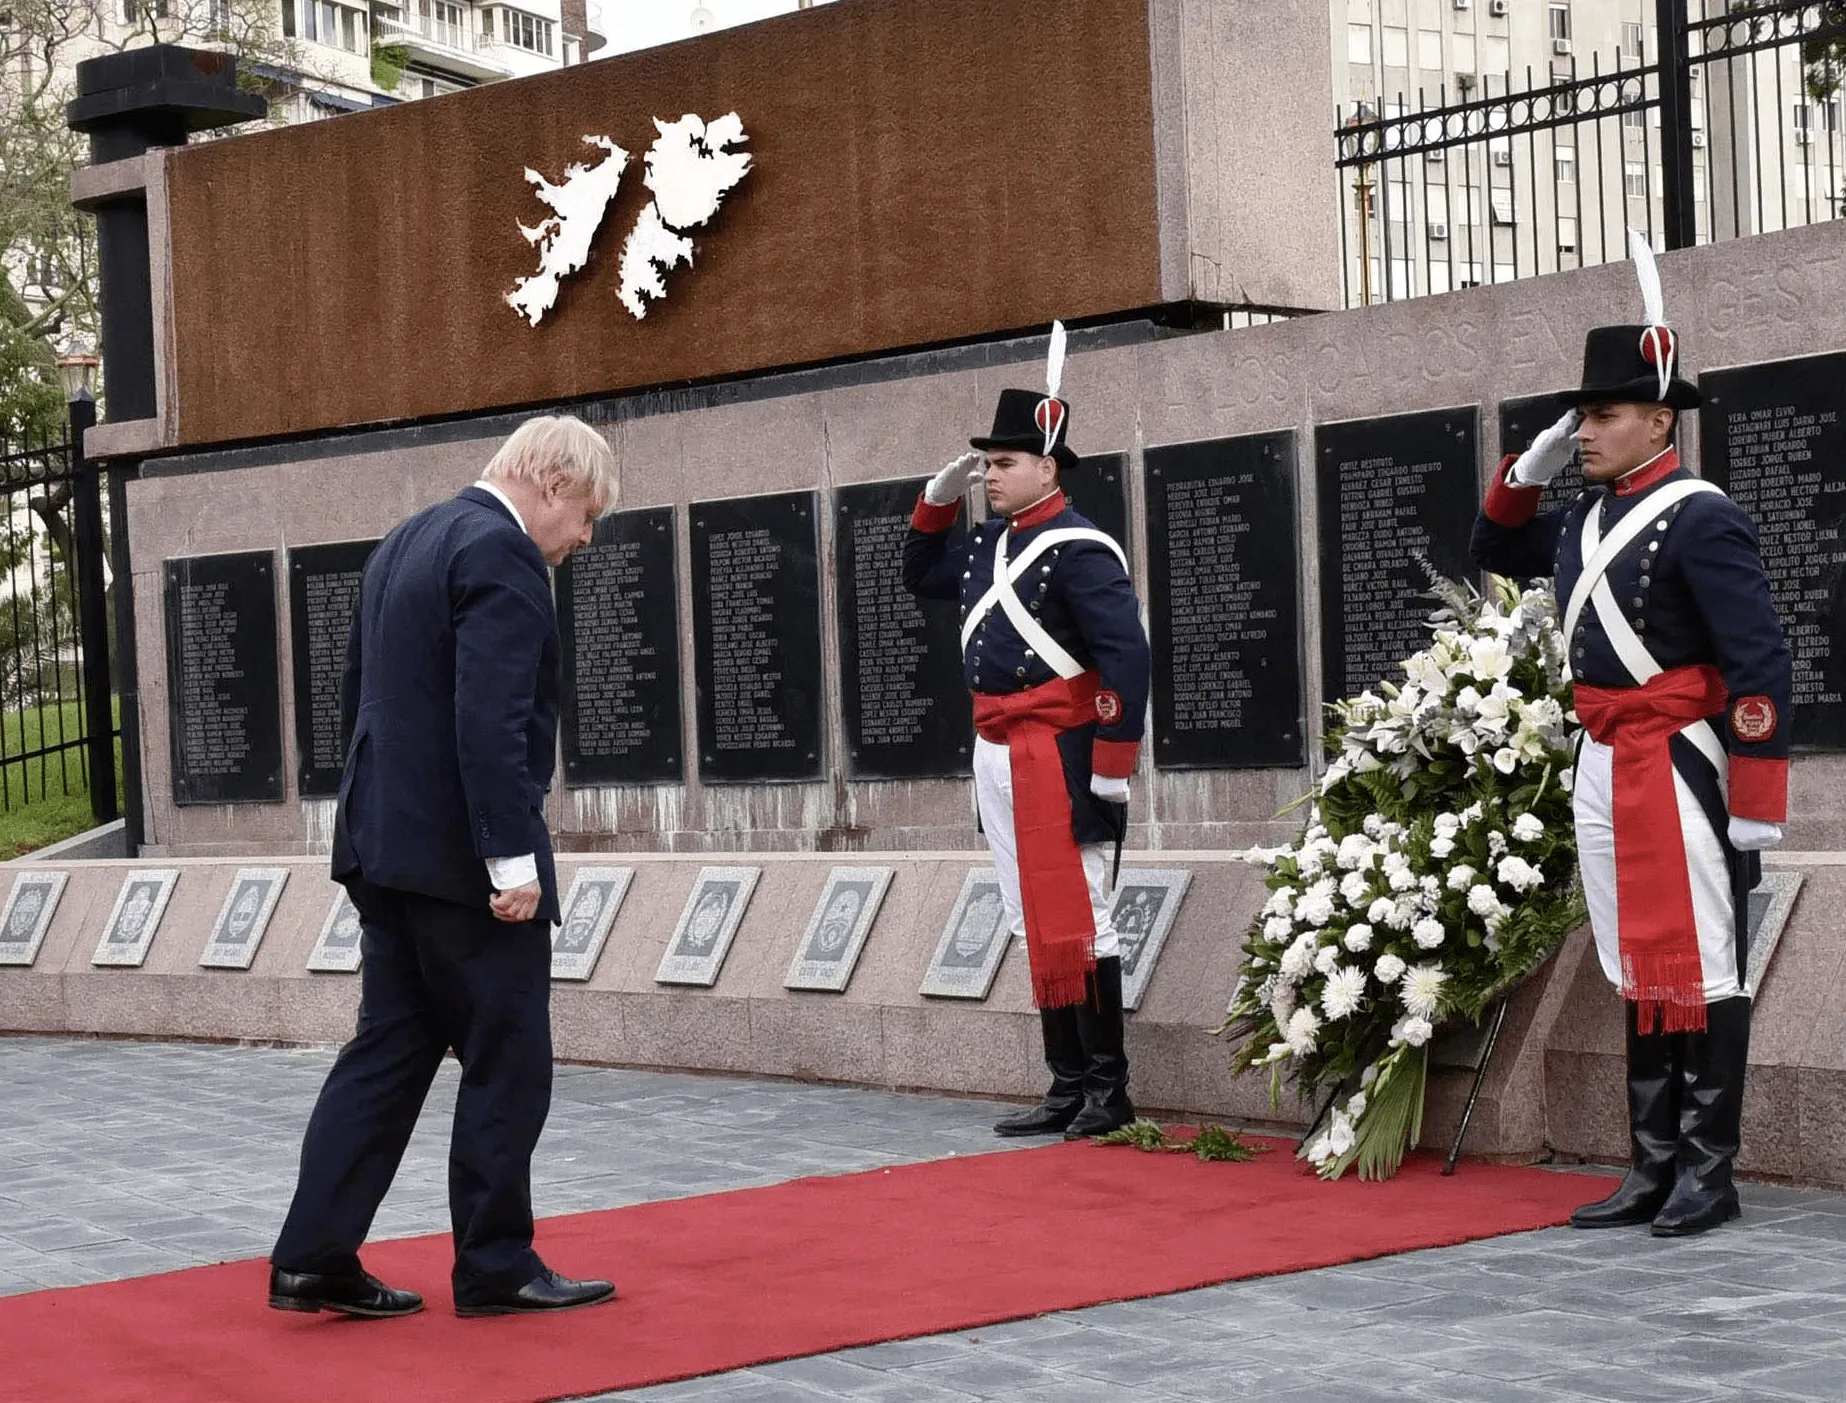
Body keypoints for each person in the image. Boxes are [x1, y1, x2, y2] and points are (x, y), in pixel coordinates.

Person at [1471, 236, 1790, 1238]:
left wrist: (1754, 805)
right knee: (1632, 955)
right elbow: (1491, 547)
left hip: (1681, 761)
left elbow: (1759, 664)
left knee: (1701, 960)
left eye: (1602, 415)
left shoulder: (1702, 518)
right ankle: (1650, 1162)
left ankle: (1707, 1166)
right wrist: (1534, 461)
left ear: (1660, 417)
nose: (1589, 429)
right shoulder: (1579, 519)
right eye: (1583, 415)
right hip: (1603, 757)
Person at [270, 415, 621, 1318]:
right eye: (586, 512)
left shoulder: (406, 541)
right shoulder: (502, 555)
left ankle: (313, 1252)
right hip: (465, 864)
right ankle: (497, 1262)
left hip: (385, 848)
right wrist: (510, 858)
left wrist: (374, 830)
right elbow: (491, 722)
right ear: (548, 479)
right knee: (510, 1057)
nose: (585, 537)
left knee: (385, 1053)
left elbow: (358, 703)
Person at [904, 325, 1152, 1141]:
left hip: (1064, 752)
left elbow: (1126, 657)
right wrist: (936, 504)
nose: (989, 474)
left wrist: (1111, 768)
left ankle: (1107, 1090)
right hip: (995, 749)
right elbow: (919, 575)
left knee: (1084, 915)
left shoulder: (1080, 548)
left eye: (1002, 463)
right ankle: (1065, 1081)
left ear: (1048, 464)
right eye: (985, 463)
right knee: (1024, 912)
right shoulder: (983, 544)